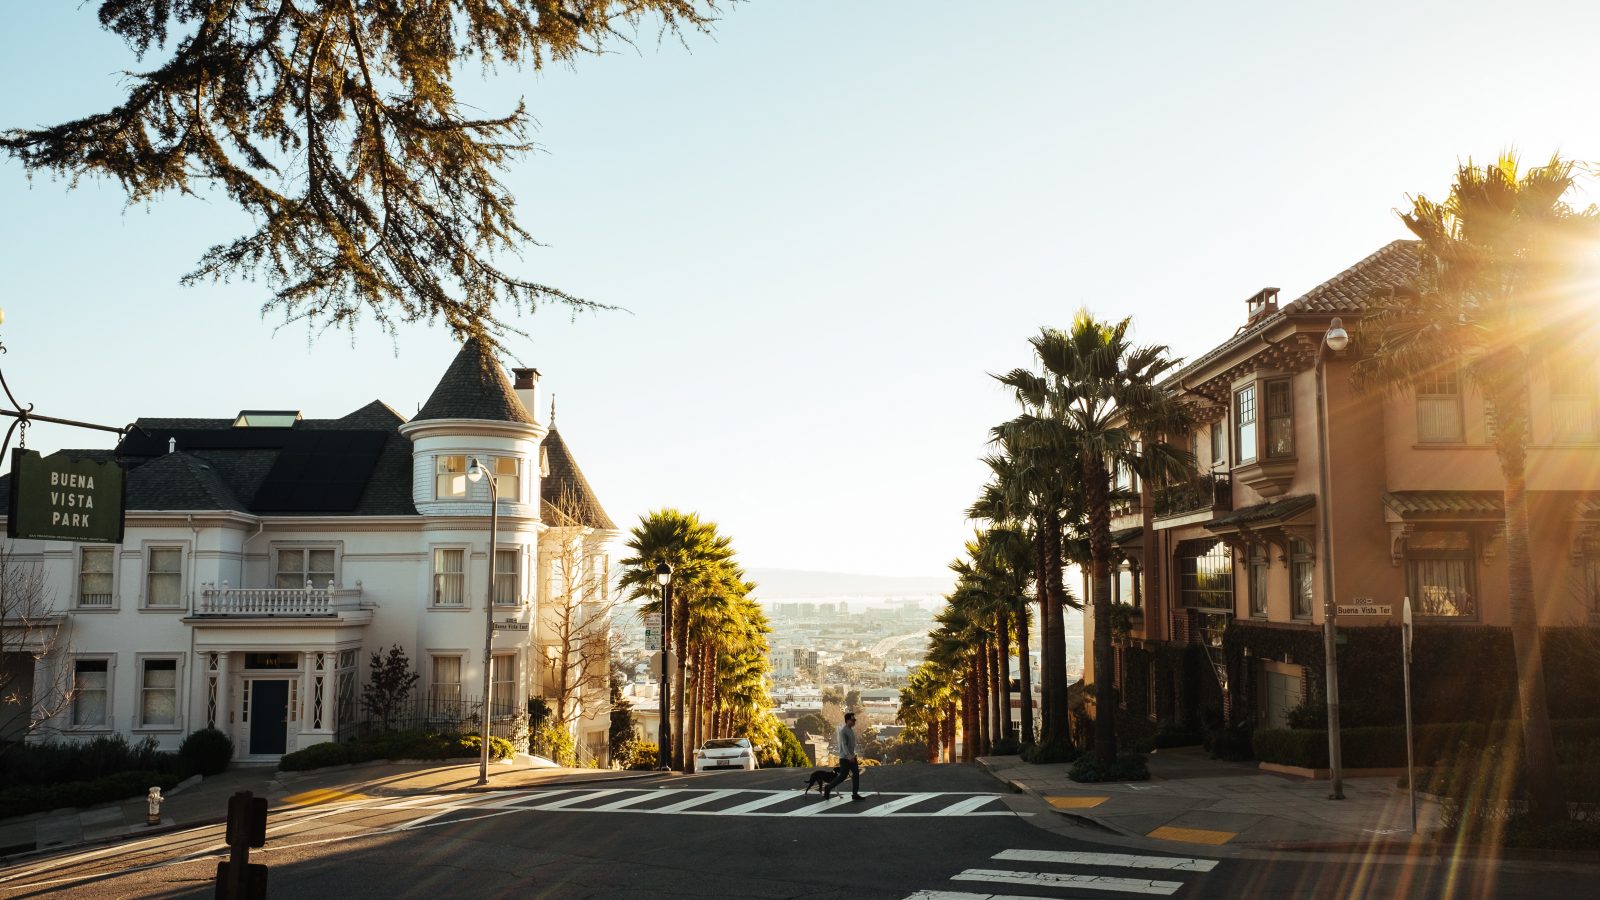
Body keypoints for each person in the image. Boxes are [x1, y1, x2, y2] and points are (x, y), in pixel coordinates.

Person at [823, 712, 862, 801]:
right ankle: (828, 787)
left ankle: (855, 794)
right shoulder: (843, 731)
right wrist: (849, 756)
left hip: (852, 757)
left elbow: (851, 745)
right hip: (845, 758)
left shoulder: (850, 730)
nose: (854, 721)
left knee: (856, 774)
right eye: (853, 720)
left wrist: (854, 755)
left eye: (854, 720)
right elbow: (843, 745)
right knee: (843, 776)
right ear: (848, 720)